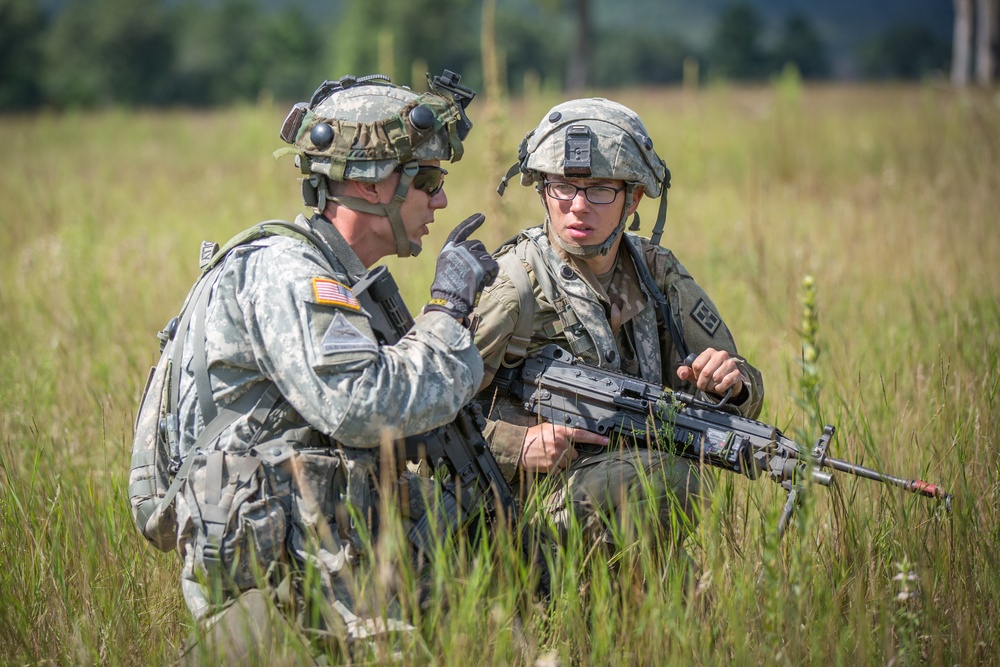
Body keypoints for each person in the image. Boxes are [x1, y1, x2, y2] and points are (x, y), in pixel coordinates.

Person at [156, 72, 497, 663]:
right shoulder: (289, 273)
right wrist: (445, 310)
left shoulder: (320, 271)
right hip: (279, 593)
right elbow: (362, 405)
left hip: (315, 569)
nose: (440, 200)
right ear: (369, 188)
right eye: (428, 180)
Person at [471, 97, 764, 562]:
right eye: (562, 187)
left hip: (619, 496)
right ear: (542, 190)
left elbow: (742, 395)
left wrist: (731, 383)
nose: (578, 207)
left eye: (600, 189)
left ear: (634, 198)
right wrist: (517, 443)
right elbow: (429, 409)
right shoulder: (513, 285)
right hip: (521, 510)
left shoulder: (655, 270)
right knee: (669, 479)